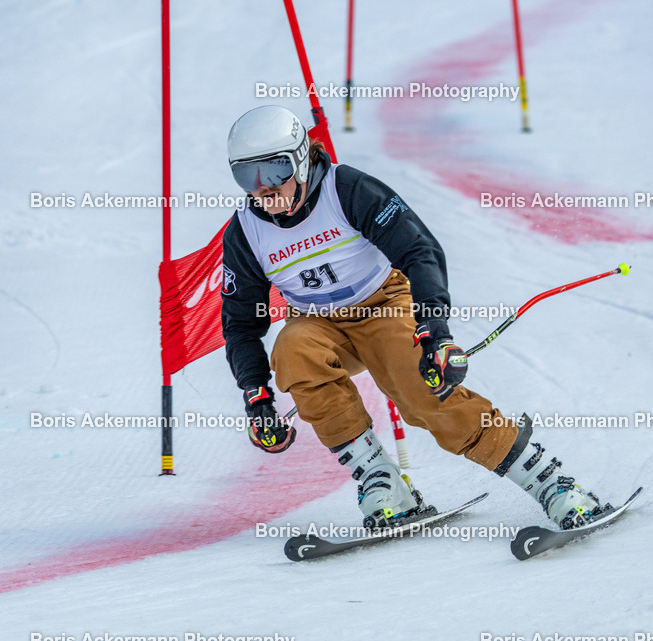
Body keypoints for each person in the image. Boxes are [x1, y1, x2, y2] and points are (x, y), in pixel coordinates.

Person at [221, 105, 612, 531]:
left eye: (275, 172)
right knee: (293, 349)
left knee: (422, 392)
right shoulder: (246, 232)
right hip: (318, 325)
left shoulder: (347, 190)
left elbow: (419, 251)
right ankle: (381, 481)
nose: (264, 189)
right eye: (247, 177)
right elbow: (241, 322)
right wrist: (256, 395)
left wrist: (435, 335)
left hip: (382, 304)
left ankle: (550, 483)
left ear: (299, 158)